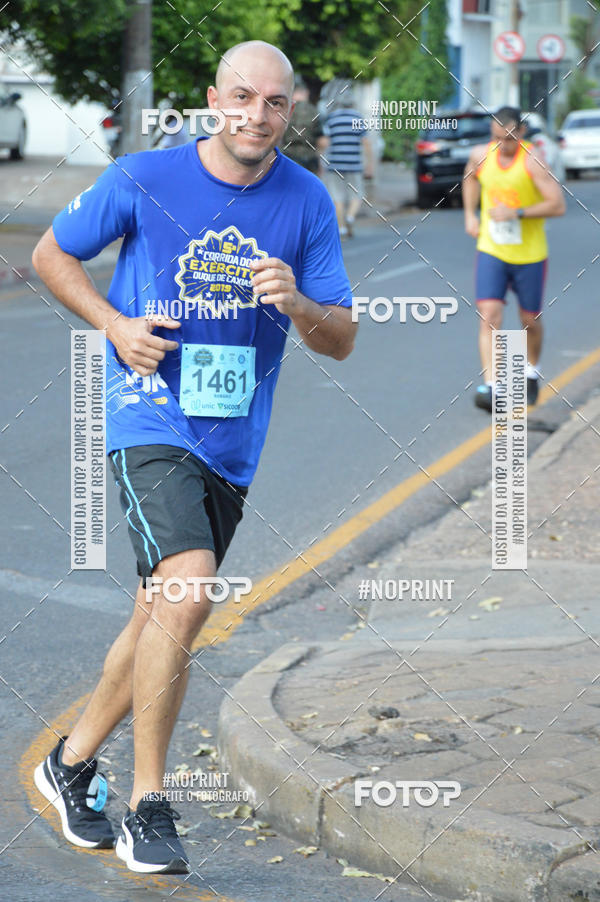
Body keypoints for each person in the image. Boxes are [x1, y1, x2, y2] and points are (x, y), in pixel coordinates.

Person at [31, 40, 356, 876]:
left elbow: (344, 339)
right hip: (150, 419)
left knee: (160, 614)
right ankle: (147, 804)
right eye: (242, 96)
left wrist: (299, 303)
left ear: (292, 110)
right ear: (215, 98)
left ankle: (68, 763)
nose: (257, 114)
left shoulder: (307, 201)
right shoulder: (146, 176)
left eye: (275, 102)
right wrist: (115, 325)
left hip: (233, 445)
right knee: (188, 586)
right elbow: (49, 254)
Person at [462, 106, 565, 412]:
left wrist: (516, 212)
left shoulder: (533, 162)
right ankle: (492, 387)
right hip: (492, 249)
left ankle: (531, 369)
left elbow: (557, 205)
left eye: (508, 139)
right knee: (489, 315)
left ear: (520, 133)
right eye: (496, 138)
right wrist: (470, 215)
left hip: (529, 254)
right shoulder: (482, 154)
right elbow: (469, 178)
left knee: (529, 321)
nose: (502, 146)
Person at [321, 89, 374, 239]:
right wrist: (370, 163)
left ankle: (342, 228)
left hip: (334, 165)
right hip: (354, 164)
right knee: (357, 195)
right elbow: (366, 143)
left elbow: (325, 142)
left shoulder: (331, 119)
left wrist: (321, 160)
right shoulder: (358, 118)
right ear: (353, 103)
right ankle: (350, 217)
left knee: (337, 198)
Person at [282, 78, 324, 173]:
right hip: (309, 159)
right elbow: (322, 141)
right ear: (306, 93)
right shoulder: (314, 111)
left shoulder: (286, 110)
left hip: (287, 156)